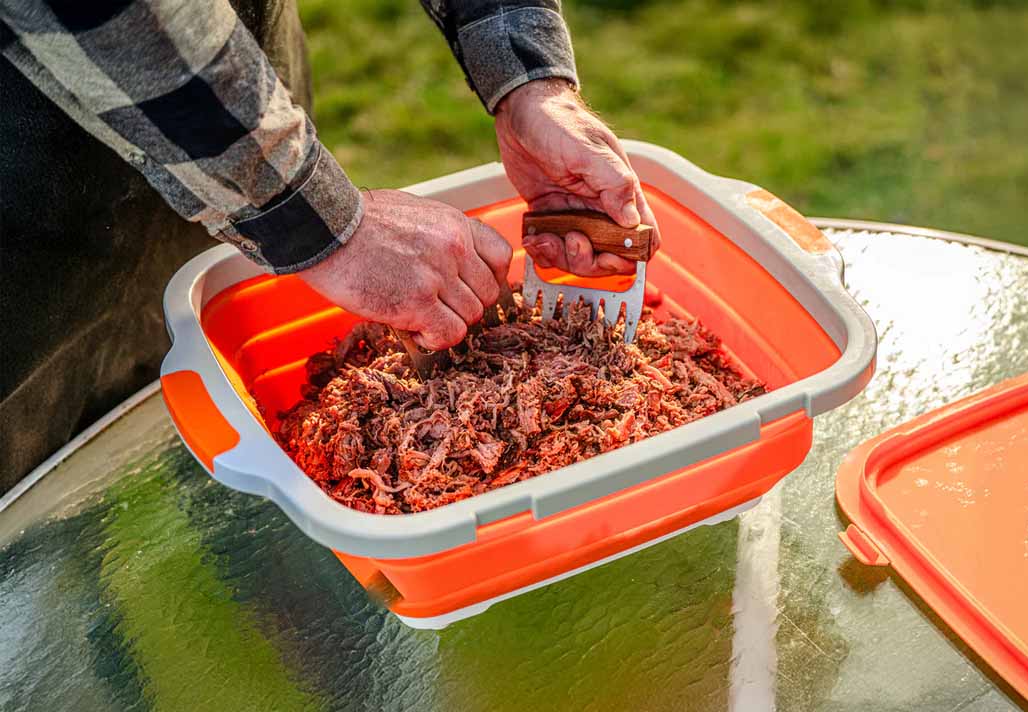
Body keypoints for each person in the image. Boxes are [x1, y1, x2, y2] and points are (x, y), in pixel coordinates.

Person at [0, 0, 657, 486]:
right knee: (41, 529)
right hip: (35, 159)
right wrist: (316, 217)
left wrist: (526, 74)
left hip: (234, 60)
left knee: (222, 458)